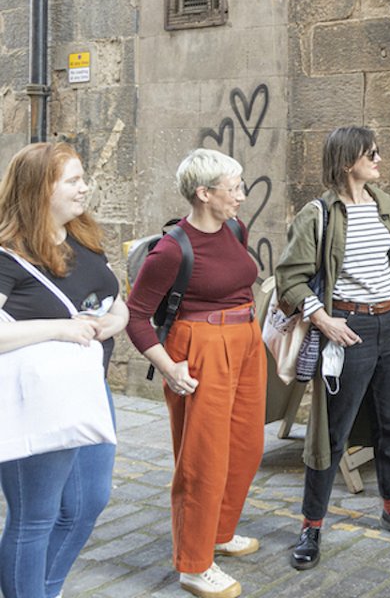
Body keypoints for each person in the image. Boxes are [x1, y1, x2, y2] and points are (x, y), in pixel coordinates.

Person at [275, 127, 390, 570]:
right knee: (331, 435)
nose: (379, 158)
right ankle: (311, 526)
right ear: (347, 162)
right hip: (349, 328)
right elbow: (290, 277)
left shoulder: (387, 206)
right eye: (370, 153)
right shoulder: (318, 214)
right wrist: (322, 318)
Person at [127, 149, 264, 598]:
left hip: (245, 341)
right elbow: (137, 316)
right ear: (204, 194)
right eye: (234, 188)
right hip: (200, 349)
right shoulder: (171, 249)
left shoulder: (236, 229)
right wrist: (168, 368)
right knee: (202, 459)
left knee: (246, 446)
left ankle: (219, 533)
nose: (242, 196)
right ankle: (193, 564)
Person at [0, 142, 127, 598]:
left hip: (87, 390)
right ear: (39, 189)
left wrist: (112, 321)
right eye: (72, 180)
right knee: (35, 515)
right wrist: (60, 328)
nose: (84, 187)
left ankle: (44, 590)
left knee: (88, 502)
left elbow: (116, 302)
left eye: (82, 178)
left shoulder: (83, 236)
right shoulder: (6, 254)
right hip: (35, 398)